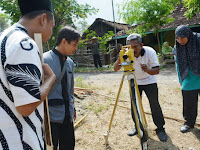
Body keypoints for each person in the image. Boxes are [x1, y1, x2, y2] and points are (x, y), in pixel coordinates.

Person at [0, 0, 55, 149]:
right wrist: (50, 80)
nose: (51, 32)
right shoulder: (25, 44)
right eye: (52, 26)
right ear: (43, 19)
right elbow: (26, 106)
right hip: (19, 141)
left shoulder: (5, 37)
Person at [114, 33, 167, 142]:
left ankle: (160, 128)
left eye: (135, 46)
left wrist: (147, 70)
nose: (132, 49)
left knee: (154, 104)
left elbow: (156, 71)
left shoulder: (150, 52)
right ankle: (138, 127)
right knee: (134, 105)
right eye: (130, 47)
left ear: (141, 45)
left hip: (149, 80)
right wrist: (120, 57)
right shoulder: (126, 53)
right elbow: (115, 69)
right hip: (134, 81)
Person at [44, 26, 80, 150]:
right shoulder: (44, 60)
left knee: (69, 146)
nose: (76, 48)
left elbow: (71, 87)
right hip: (51, 117)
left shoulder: (70, 62)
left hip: (67, 115)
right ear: (64, 41)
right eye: (74, 45)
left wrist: (73, 108)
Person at [173, 25, 200, 133]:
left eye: (182, 38)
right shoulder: (177, 47)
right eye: (177, 38)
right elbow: (178, 64)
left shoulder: (198, 41)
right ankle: (189, 123)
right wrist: (180, 79)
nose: (180, 41)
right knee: (189, 102)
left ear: (188, 35)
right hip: (188, 77)